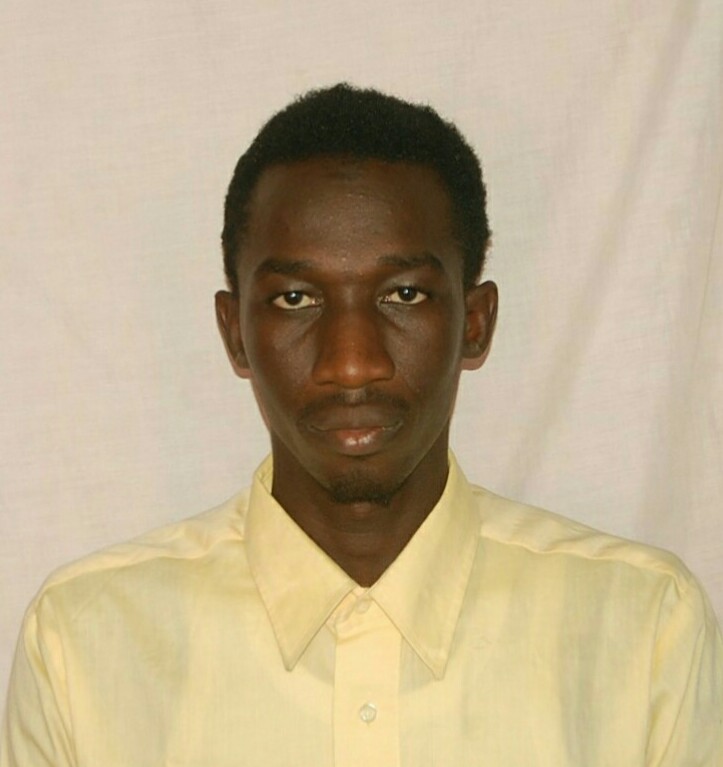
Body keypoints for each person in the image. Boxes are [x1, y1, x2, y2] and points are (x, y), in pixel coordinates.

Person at [2, 84, 721, 766]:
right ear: (234, 332)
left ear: (475, 323)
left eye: (403, 294)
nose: (352, 364)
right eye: (295, 299)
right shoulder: (84, 644)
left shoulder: (642, 629)